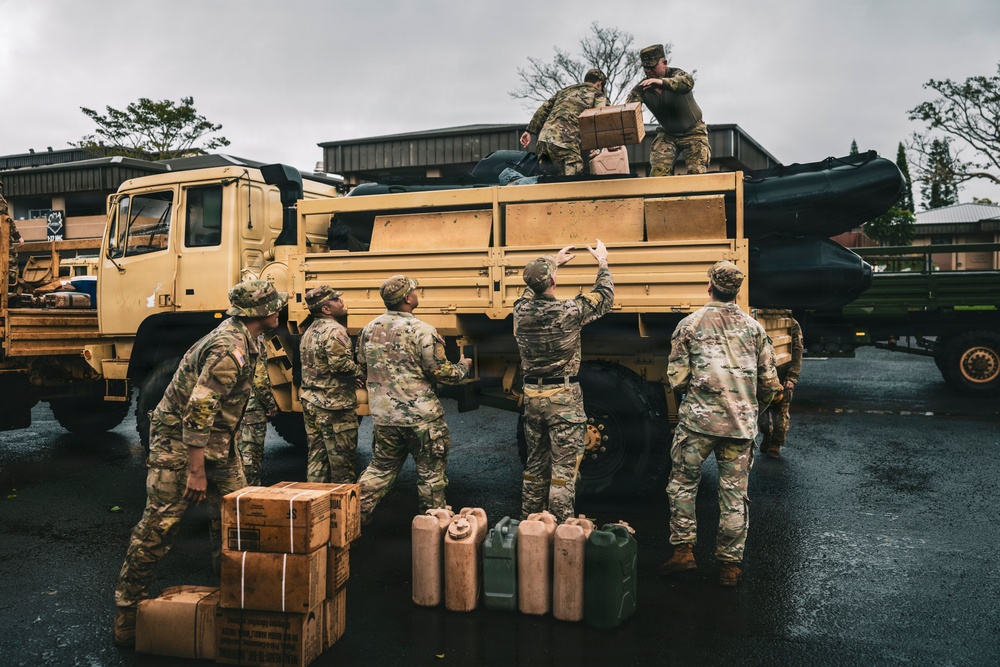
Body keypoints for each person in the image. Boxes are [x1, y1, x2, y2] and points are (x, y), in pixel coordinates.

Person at [112, 280, 286, 647]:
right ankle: (127, 611)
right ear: (258, 313)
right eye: (274, 306)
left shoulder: (250, 338)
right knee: (160, 524)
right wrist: (196, 471)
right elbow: (198, 410)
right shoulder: (229, 348)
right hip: (179, 443)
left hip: (218, 443)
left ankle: (233, 599)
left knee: (235, 518)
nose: (278, 310)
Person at [658, 261, 780, 587]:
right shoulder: (755, 330)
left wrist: (698, 397)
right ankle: (729, 567)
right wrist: (751, 411)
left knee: (683, 485)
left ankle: (683, 553)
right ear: (737, 290)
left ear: (709, 285)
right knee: (734, 495)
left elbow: (677, 379)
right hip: (739, 428)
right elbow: (770, 385)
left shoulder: (689, 325)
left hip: (697, 424)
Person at [355, 275, 472, 524]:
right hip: (422, 420)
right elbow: (442, 373)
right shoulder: (424, 331)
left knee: (379, 470)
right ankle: (432, 531)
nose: (417, 294)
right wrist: (463, 367)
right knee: (431, 478)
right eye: (415, 291)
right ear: (408, 298)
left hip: (385, 418)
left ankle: (350, 519)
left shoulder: (369, 329)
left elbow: (363, 365)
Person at [514, 240, 614, 522]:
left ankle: (530, 526)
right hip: (563, 399)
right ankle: (558, 529)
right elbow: (604, 296)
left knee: (535, 466)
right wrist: (602, 262)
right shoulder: (569, 312)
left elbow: (529, 290)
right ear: (554, 282)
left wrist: (552, 261)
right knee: (563, 471)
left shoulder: (520, 311)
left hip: (532, 396)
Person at [300, 285, 362, 484]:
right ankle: (342, 511)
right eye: (336, 300)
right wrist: (360, 372)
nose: (341, 302)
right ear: (326, 309)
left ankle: (312, 506)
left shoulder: (310, 330)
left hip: (311, 401)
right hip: (334, 405)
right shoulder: (335, 331)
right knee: (342, 463)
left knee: (317, 458)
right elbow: (340, 365)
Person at [626, 44, 710, 176]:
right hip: (668, 135)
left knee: (697, 173)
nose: (649, 71)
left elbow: (687, 83)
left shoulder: (677, 74)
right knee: (658, 172)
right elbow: (628, 111)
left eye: (653, 67)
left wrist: (662, 83)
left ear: (664, 63)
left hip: (693, 132)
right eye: (646, 68)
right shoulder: (641, 89)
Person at [520, 69, 609, 175]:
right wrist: (598, 145)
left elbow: (543, 109)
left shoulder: (565, 91)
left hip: (543, 141)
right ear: (599, 84)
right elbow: (599, 116)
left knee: (549, 181)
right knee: (572, 178)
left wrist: (529, 131)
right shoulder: (597, 94)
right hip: (565, 142)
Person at [237, 334, 279, 486]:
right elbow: (259, 379)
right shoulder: (255, 340)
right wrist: (270, 403)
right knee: (251, 456)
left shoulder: (235, 337)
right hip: (252, 409)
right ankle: (249, 492)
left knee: (237, 452)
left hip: (238, 406)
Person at [759, 317, 803, 459]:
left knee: (780, 413)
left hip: (783, 376)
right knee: (762, 416)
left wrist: (792, 377)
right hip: (762, 376)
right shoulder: (756, 320)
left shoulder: (792, 323)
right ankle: (767, 433)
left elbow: (797, 351)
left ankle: (775, 445)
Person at [1, 180, 21, 290]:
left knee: (11, 259)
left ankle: (10, 284)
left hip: (4, 235)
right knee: (11, 258)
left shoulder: (1, 199)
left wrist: (17, 236)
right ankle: (11, 284)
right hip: (2, 237)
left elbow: (7, 219)